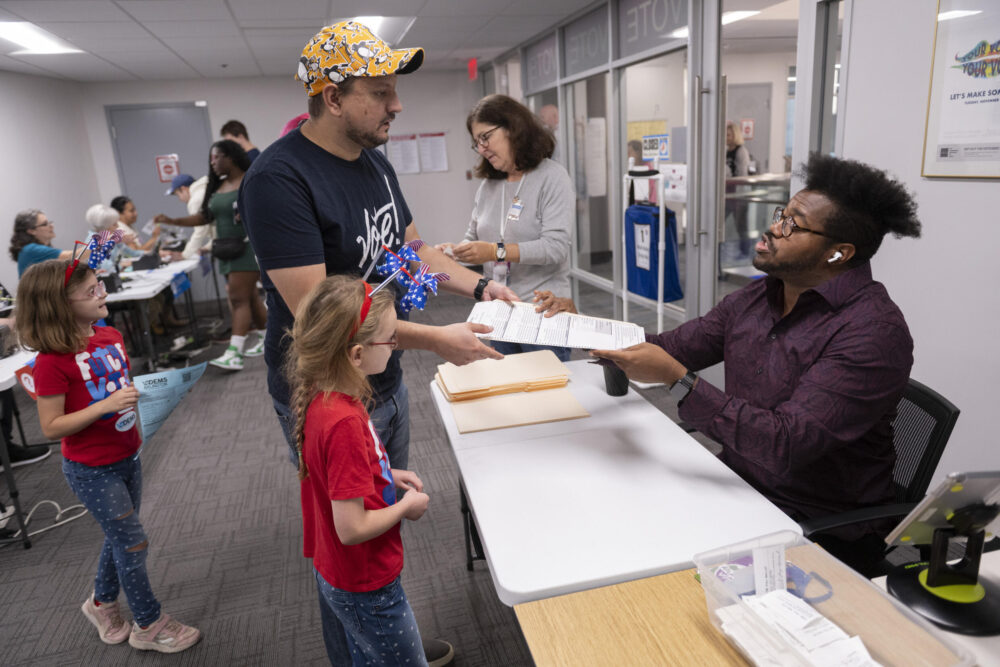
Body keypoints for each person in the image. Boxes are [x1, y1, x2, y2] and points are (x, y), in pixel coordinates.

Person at [241, 22, 518, 665]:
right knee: (346, 541)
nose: (396, 105)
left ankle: (383, 642)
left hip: (380, 376)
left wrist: (481, 288)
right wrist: (436, 340)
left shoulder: (373, 160)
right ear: (332, 97)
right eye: (380, 91)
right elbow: (319, 312)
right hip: (326, 394)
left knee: (381, 515)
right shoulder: (276, 180)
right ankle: (361, 654)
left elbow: (413, 249)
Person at [592, 154, 922, 576]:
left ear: (838, 254)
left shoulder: (872, 332)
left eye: (792, 224)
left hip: (817, 525)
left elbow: (784, 444)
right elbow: (674, 346)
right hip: (741, 486)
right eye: (780, 214)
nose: (772, 227)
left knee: (642, 571)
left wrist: (678, 381)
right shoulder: (758, 296)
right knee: (616, 519)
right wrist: (581, 327)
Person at [15, 258, 201, 653]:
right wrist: (105, 406)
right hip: (90, 469)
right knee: (132, 542)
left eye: (100, 285)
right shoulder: (51, 361)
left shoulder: (111, 336)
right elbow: (51, 426)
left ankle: (101, 603)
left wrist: (148, 395)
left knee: (120, 536)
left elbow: (117, 388)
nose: (103, 294)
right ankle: (149, 624)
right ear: (59, 306)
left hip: (127, 453)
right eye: (91, 291)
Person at [288, 275, 441, 666]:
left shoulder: (328, 398)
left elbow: (340, 479)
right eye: (390, 339)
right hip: (366, 583)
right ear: (356, 355)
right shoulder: (343, 423)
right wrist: (406, 507)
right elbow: (351, 528)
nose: (394, 346)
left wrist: (387, 476)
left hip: (343, 576)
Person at [437, 94, 575, 361]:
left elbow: (555, 248)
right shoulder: (489, 186)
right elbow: (472, 238)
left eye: (485, 137)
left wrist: (494, 251)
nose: (481, 148)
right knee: (507, 390)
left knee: (546, 395)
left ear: (513, 127)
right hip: (499, 311)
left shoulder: (552, 177)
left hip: (542, 312)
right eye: (476, 142)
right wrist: (453, 252)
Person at [155, 140, 266, 370]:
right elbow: (205, 217)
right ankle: (268, 339)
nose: (212, 163)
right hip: (227, 250)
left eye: (217, 158)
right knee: (250, 298)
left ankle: (234, 353)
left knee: (237, 298)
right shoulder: (217, 186)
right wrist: (173, 220)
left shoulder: (251, 179)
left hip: (248, 249)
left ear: (231, 157)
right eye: (211, 159)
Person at [10, 209, 88, 277]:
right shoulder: (31, 250)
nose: (51, 226)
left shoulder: (28, 250)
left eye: (49, 222)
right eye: (45, 224)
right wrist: (97, 243)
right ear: (31, 231)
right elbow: (73, 256)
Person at [164, 173, 213, 260]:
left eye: (178, 194)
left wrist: (185, 255)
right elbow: (217, 230)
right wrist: (207, 248)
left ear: (184, 189)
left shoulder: (195, 200)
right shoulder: (206, 189)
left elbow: (200, 231)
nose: (180, 199)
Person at [85, 204, 143, 271]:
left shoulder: (111, 236)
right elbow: (107, 267)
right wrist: (123, 265)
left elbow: (131, 252)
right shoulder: (94, 240)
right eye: (114, 224)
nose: (118, 226)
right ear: (104, 227)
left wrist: (148, 254)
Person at [725, 121, 752, 256]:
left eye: (729, 135)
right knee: (719, 222)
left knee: (741, 226)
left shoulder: (741, 151)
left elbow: (742, 174)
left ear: (734, 135)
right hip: (726, 193)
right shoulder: (725, 151)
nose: (726, 137)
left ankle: (745, 252)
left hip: (739, 194)